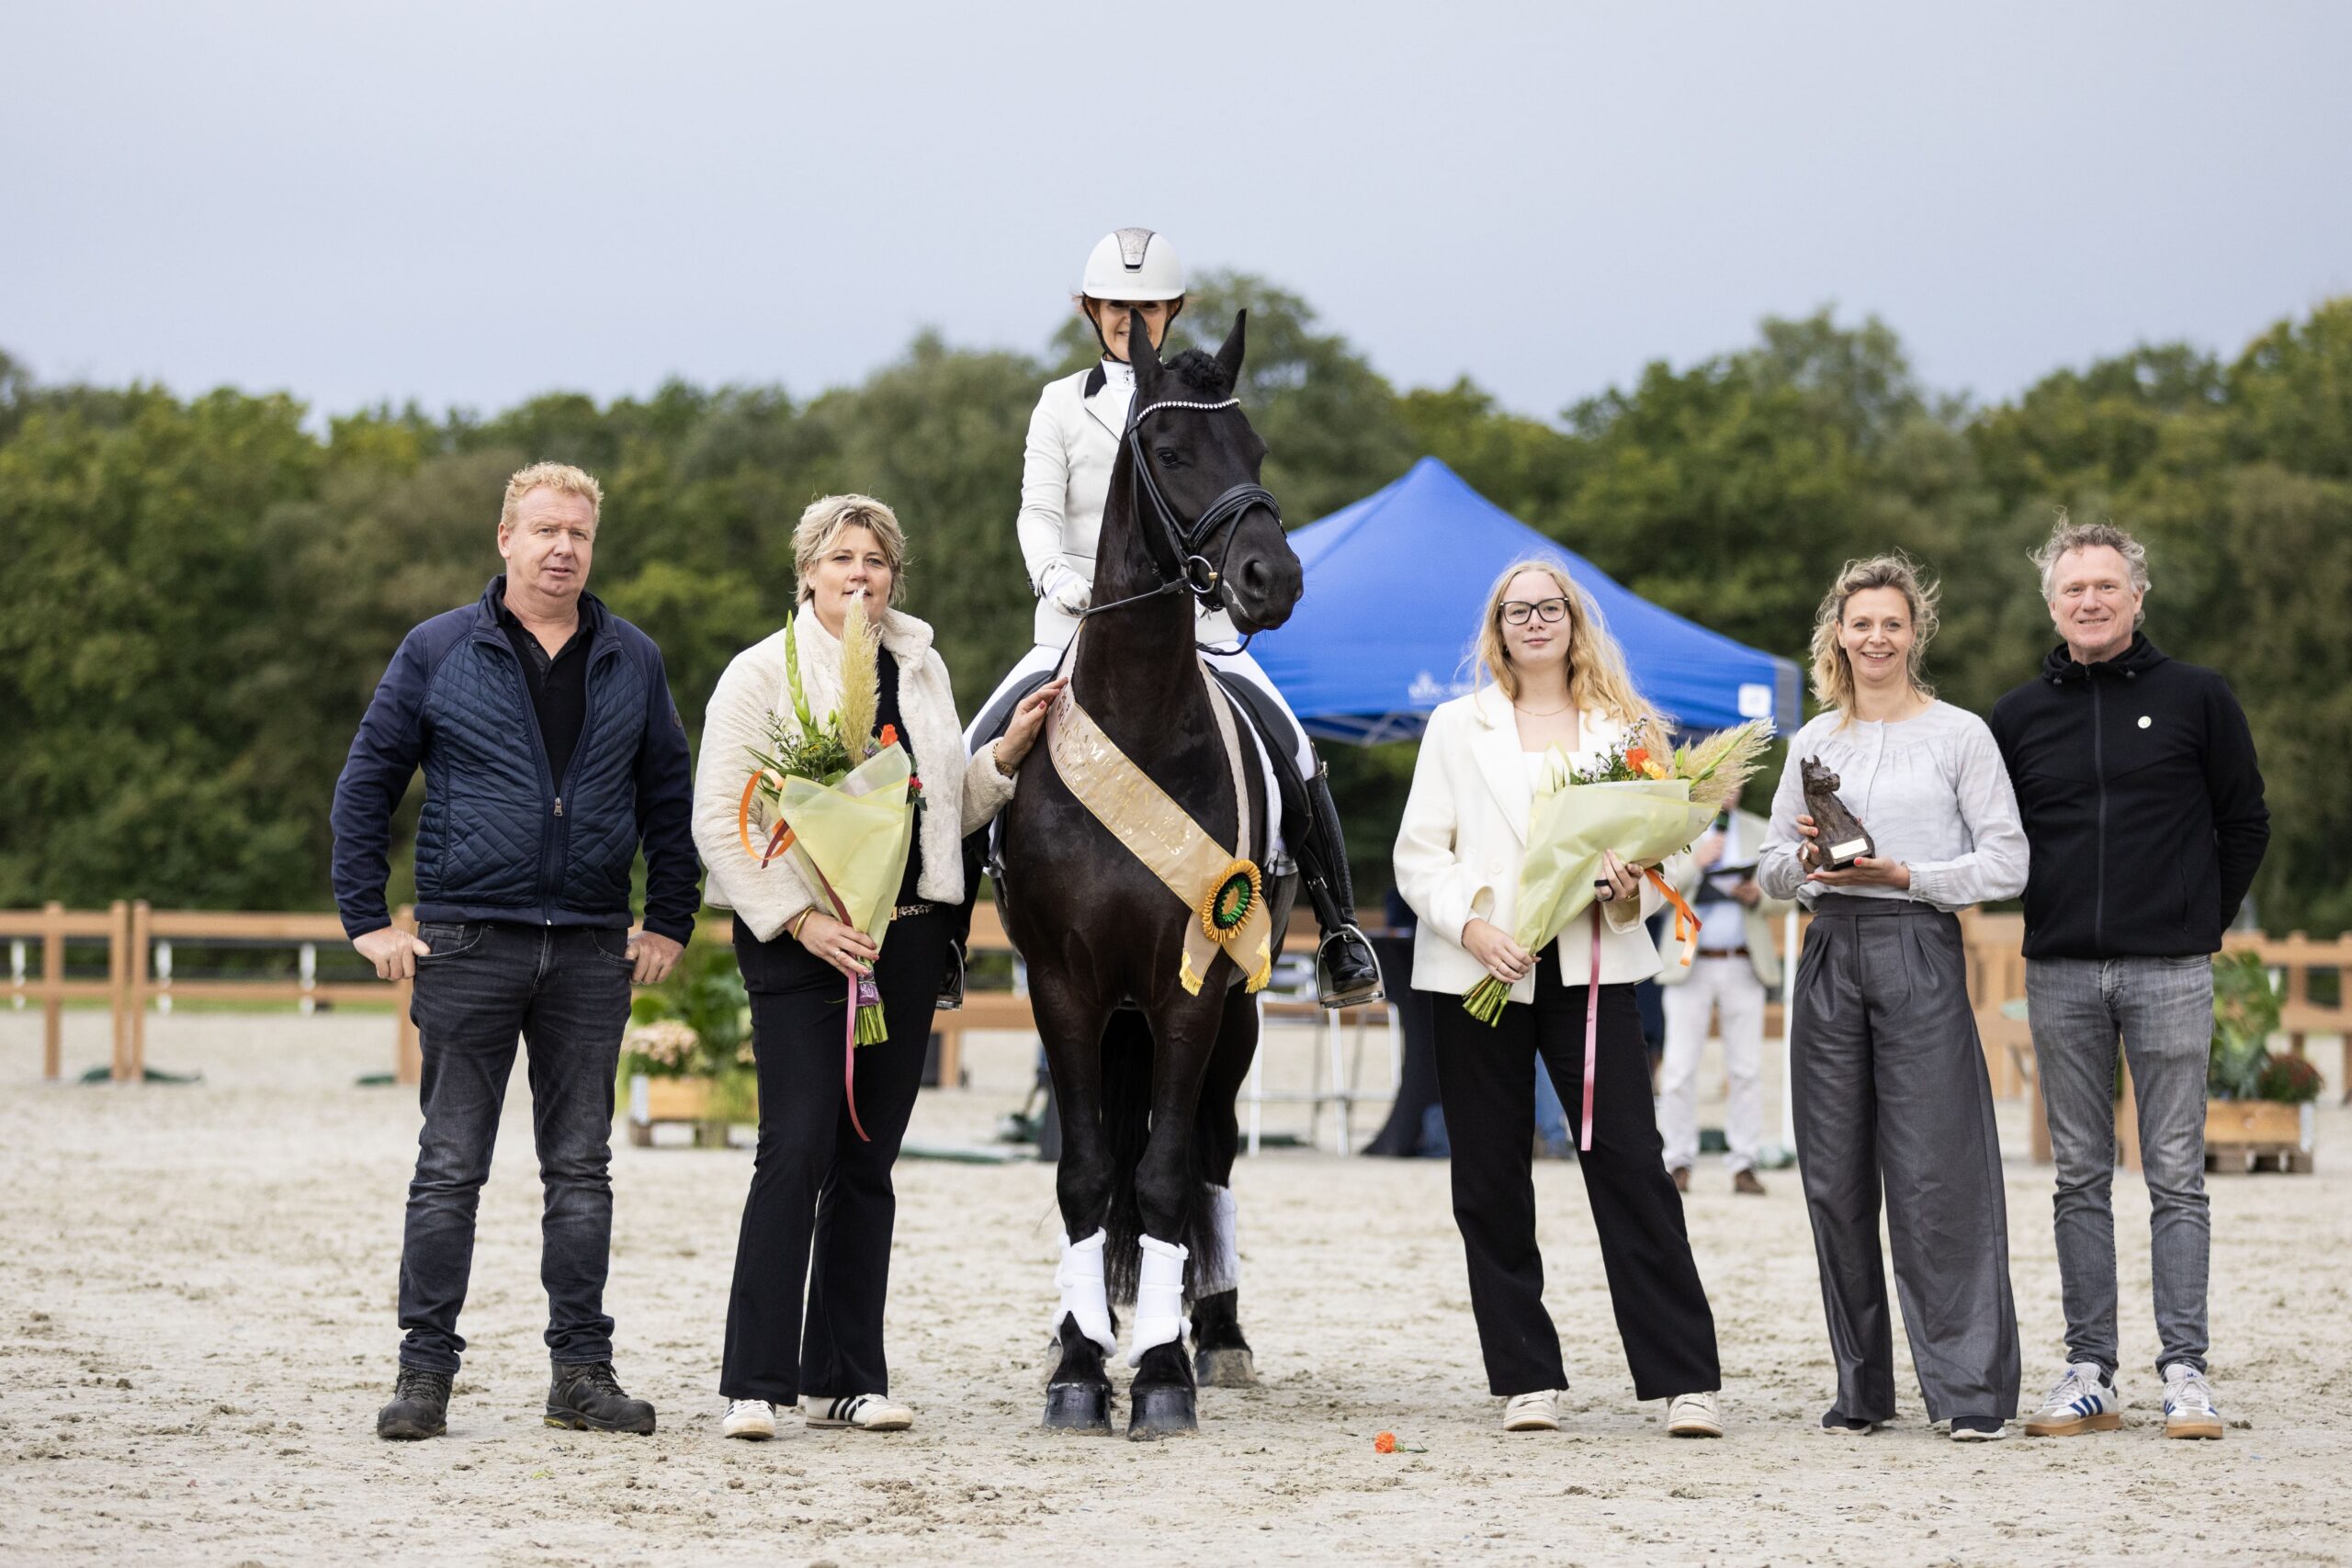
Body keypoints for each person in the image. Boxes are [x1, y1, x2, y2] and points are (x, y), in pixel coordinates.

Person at [333, 461, 698, 1441]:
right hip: (465, 941)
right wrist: (364, 917)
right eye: (543, 531)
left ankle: (581, 1375)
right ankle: (424, 1378)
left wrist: (669, 919)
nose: (561, 549)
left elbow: (670, 797)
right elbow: (368, 780)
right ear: (505, 539)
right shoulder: (438, 649)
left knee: (581, 1169)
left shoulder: (633, 657)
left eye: (577, 533)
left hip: (588, 949)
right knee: (450, 1165)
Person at [692, 494, 1059, 1440]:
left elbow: (942, 810)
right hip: (803, 942)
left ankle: (847, 1377)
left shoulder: (923, 667)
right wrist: (800, 919)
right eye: (842, 557)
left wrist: (1005, 756)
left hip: (904, 940)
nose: (861, 574)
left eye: (877, 560)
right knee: (798, 1146)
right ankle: (757, 1382)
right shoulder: (757, 673)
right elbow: (720, 823)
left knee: (868, 1160)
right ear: (807, 570)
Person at [963, 226, 1380, 1009]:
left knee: (1295, 750)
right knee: (973, 749)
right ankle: (947, 938)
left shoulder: (1210, 400)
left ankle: (1339, 931)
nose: (1131, 317)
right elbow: (1036, 512)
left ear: (1175, 308)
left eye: (1147, 304)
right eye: (1117, 304)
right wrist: (1056, 576)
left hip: (1203, 632)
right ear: (1090, 307)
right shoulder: (1060, 404)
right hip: (1075, 626)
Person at [1394, 558, 1724, 1438]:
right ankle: (1526, 1377)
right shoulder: (1454, 727)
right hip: (1479, 972)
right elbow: (1419, 854)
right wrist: (1473, 926)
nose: (1534, 621)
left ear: (1576, 621)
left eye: (1550, 607)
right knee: (1490, 1176)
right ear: (1496, 627)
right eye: (1516, 609)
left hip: (1592, 970)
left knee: (1631, 1166)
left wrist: (1630, 890)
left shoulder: (1625, 727)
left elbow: (1670, 852)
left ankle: (1684, 1378)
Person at [1991, 518, 2268, 1442]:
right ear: (2052, 603)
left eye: (2105, 586)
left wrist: (2198, 920)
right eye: (2073, 589)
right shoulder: (2018, 717)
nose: (2089, 601)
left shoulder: (2198, 698)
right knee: (2077, 1174)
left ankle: (2184, 1371)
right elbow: (1997, 840)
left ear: (2137, 595)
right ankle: (2089, 1371)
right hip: (2061, 972)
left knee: (2176, 1176)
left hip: (2170, 970)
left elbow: (2244, 823)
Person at [1758, 554, 2028, 1441]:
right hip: (1830, 945)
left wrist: (1909, 874)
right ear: (1839, 631)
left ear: (1916, 633)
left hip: (1918, 943)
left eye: (1892, 623)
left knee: (1936, 1173)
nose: (1876, 637)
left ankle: (1969, 1390)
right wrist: (1801, 865)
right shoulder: (1812, 743)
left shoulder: (1960, 734)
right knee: (1834, 1177)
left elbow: (2007, 860)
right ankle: (1862, 1387)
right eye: (1861, 622)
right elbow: (1764, 868)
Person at [1657, 786, 1791, 1194]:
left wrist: (1758, 896)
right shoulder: (1678, 830)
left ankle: (1744, 1163)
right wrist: (1697, 863)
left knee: (1746, 1069)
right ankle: (1677, 1160)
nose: (1730, 792)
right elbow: (1658, 889)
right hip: (1688, 962)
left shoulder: (1761, 830)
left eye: (1738, 783)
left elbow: (1786, 894)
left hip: (1741, 961)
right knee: (1678, 1069)